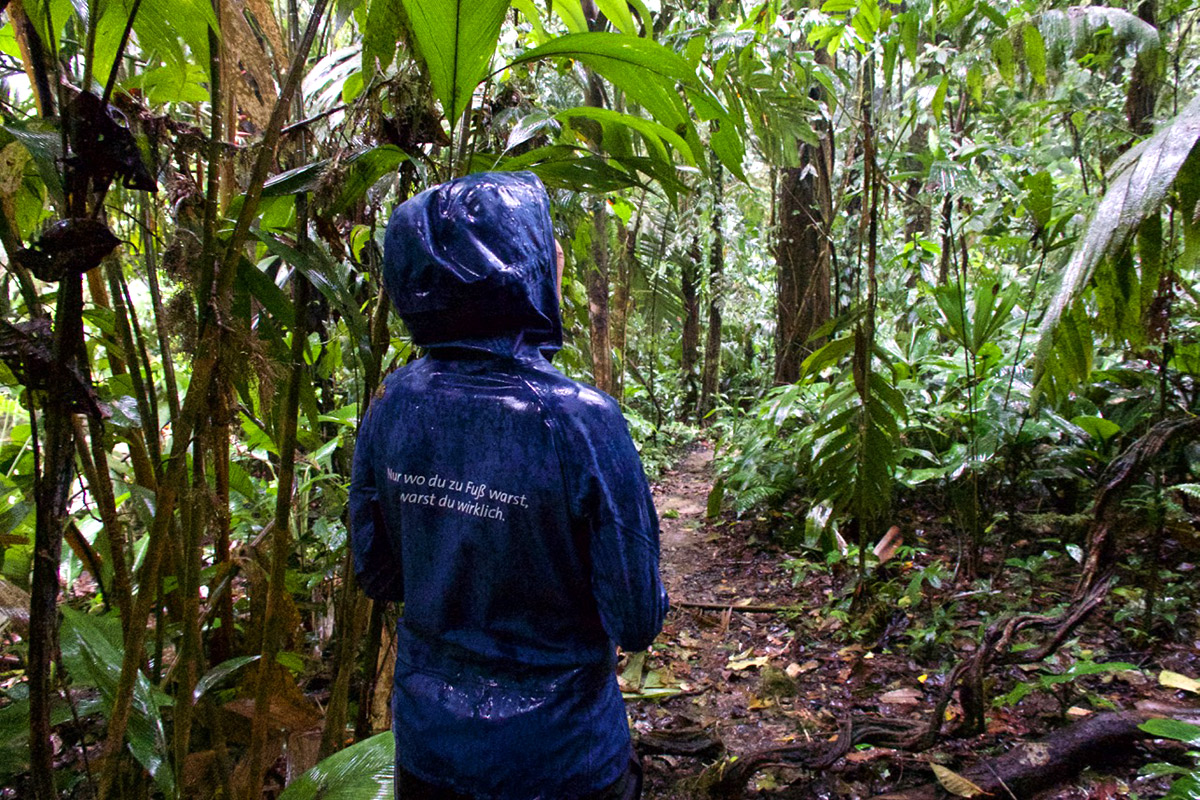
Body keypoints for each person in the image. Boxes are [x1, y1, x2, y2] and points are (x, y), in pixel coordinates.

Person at [349, 171, 669, 800]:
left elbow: (378, 575)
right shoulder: (581, 421)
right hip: (562, 760)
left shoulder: (390, 404)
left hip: (429, 753)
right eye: (549, 248)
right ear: (521, 266)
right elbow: (635, 617)